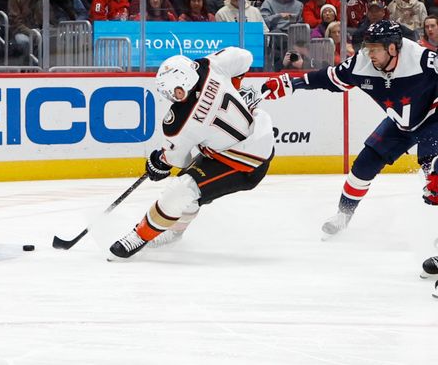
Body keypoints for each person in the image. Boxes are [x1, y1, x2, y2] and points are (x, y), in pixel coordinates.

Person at [262, 21, 438, 237]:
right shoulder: (361, 63)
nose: (368, 53)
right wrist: (291, 84)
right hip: (399, 122)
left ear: (393, 48)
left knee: (434, 172)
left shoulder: (423, 60)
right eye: (367, 47)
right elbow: (328, 78)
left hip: (433, 117)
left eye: (375, 49)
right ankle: (343, 216)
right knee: (364, 165)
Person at [108, 49, 275, 259]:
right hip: (256, 137)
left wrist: (158, 162)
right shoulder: (210, 65)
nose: (172, 97)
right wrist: (234, 86)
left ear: (184, 82)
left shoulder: (178, 121)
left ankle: (139, 236)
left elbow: (178, 160)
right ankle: (175, 233)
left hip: (246, 164)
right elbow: (245, 57)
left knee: (181, 189)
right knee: (189, 187)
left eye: (173, 91)